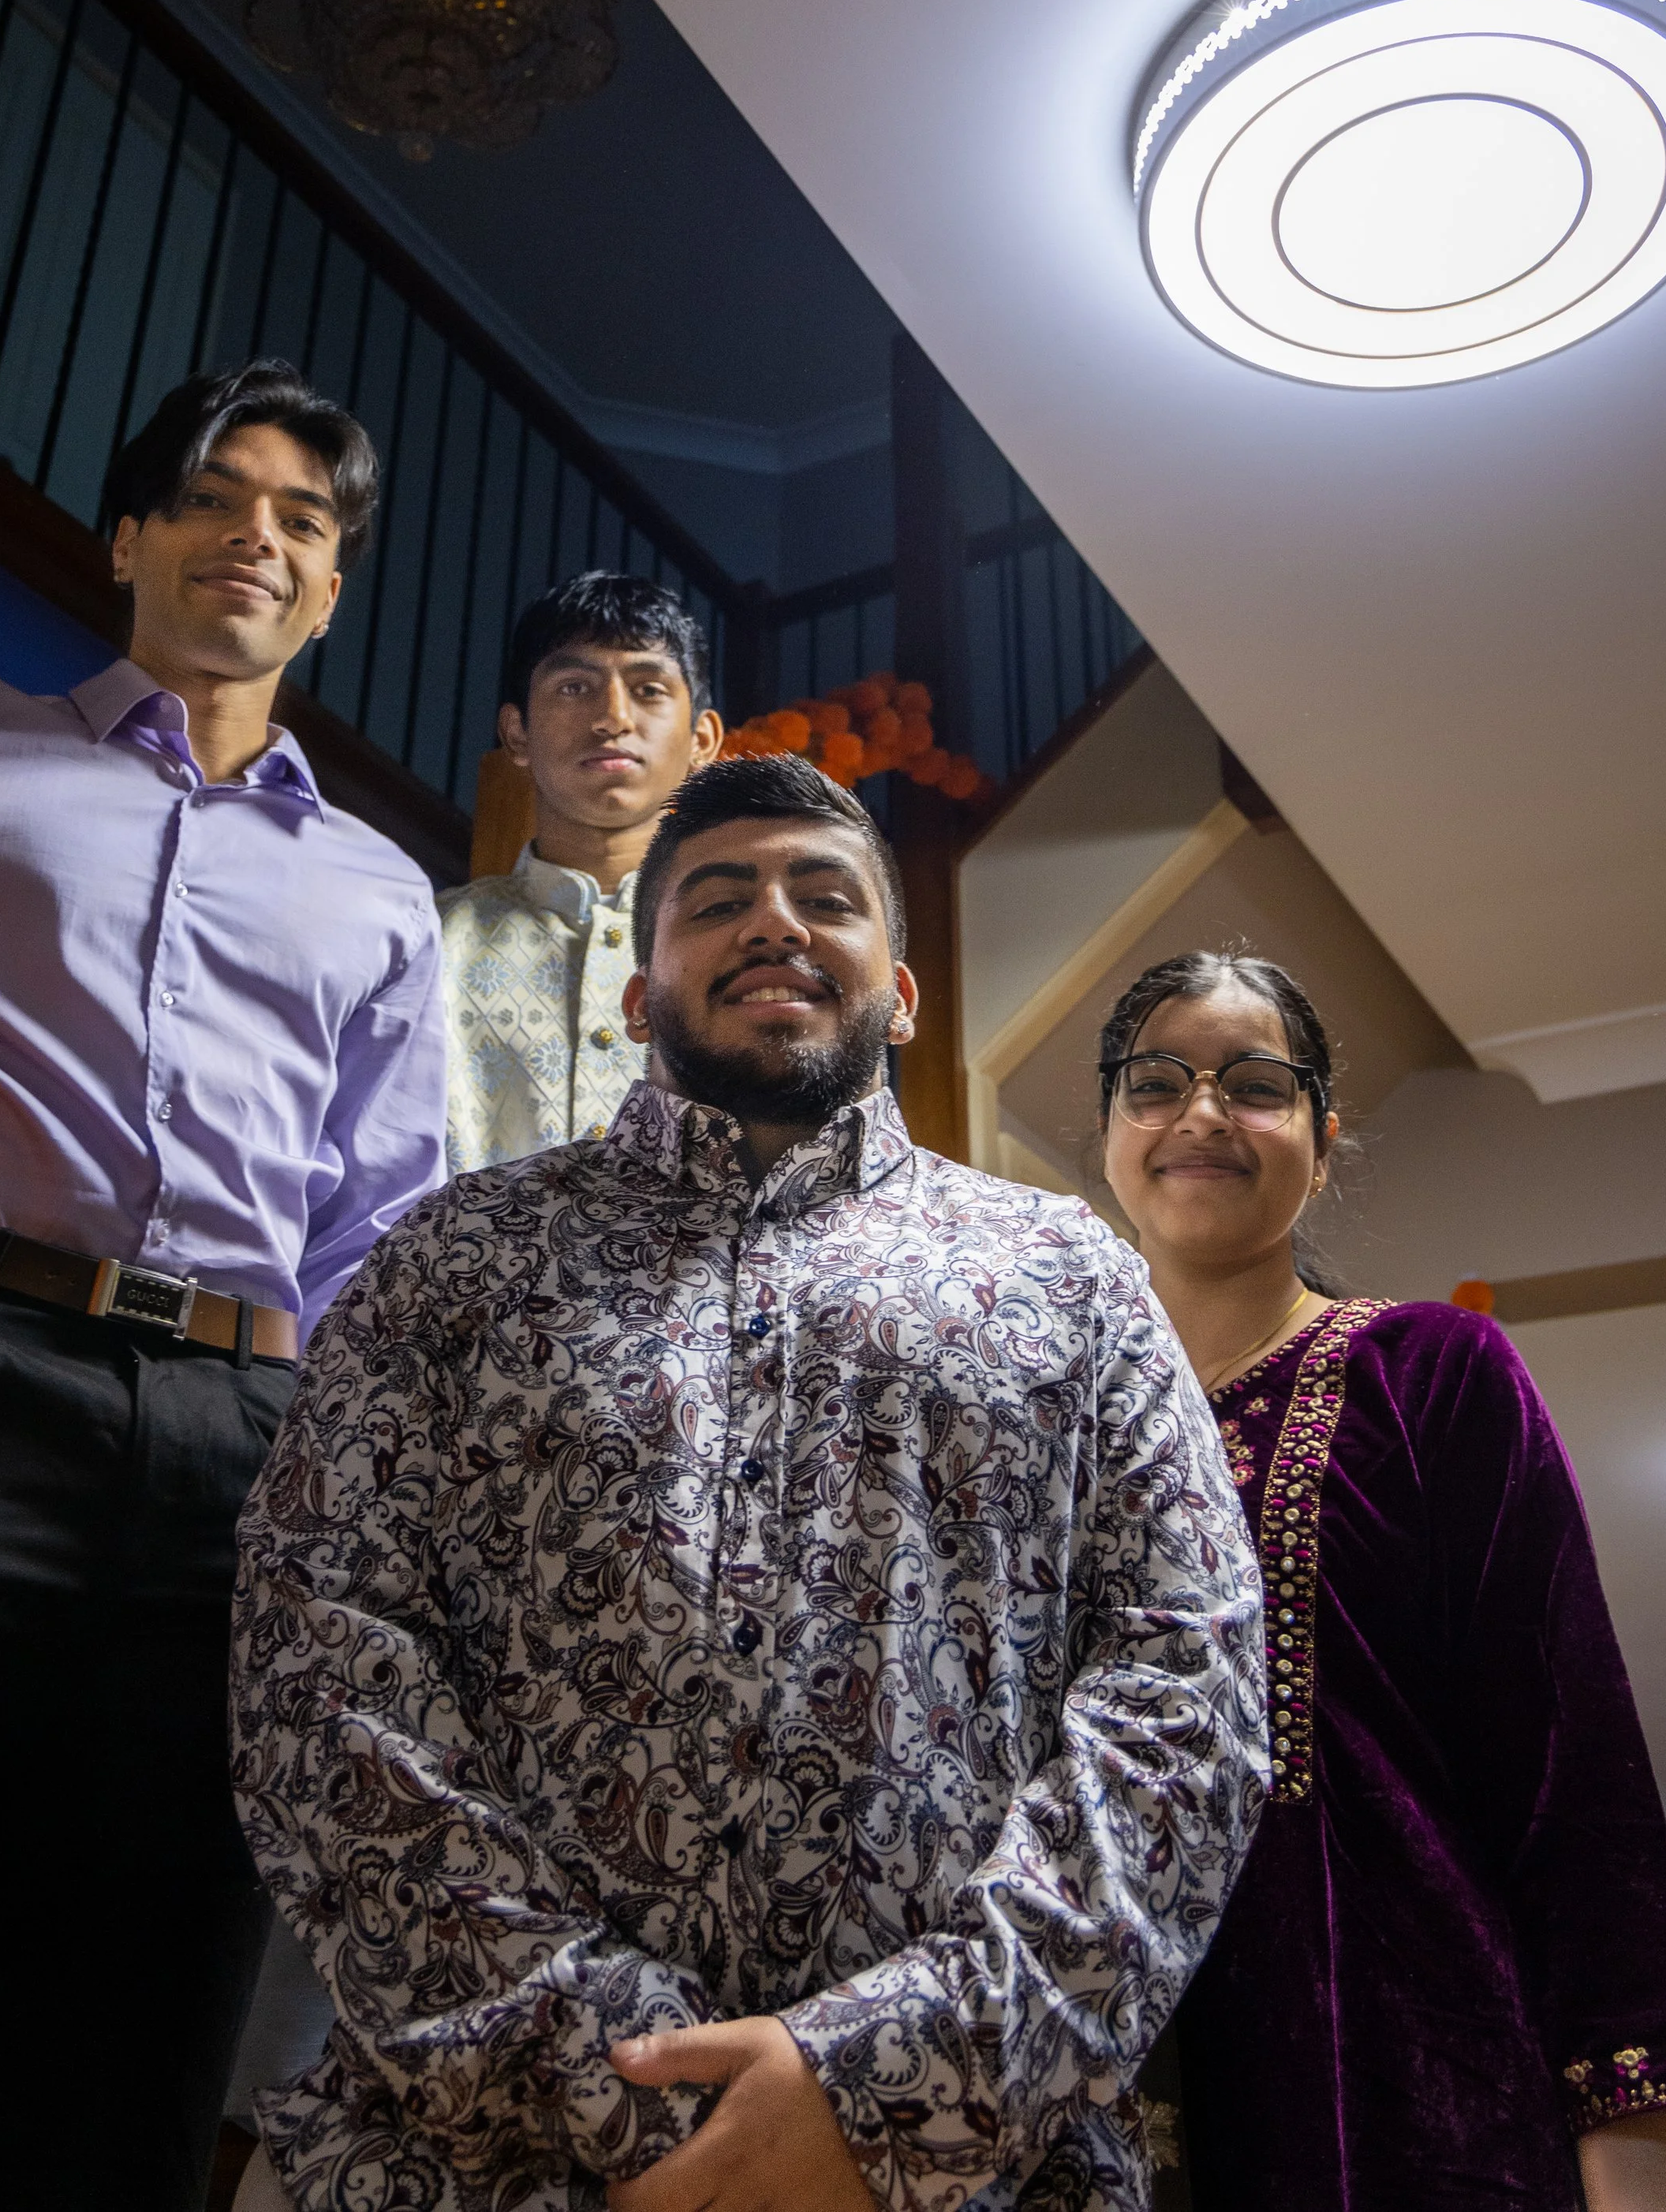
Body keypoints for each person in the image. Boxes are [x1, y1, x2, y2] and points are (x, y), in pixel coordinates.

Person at [230, 753, 1269, 2212]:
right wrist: (607, 2069)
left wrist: (894, 2084)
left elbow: (1189, 1688)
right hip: (477, 2158)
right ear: (639, 999)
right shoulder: (451, 1262)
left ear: (901, 992)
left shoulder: (1073, 1278)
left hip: (968, 2172)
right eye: (716, 899)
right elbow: (317, 1653)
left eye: (824, 895)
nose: (772, 922)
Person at [0, 359, 450, 2212]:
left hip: (245, 1450)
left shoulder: (382, 889)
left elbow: (382, 1217)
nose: (258, 534)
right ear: (131, 535)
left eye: (305, 520)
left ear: (329, 587)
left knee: (136, 2013)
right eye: (215, 495)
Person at [1093, 946, 1666, 2212]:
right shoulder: (1054, 1426)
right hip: (1112, 2085)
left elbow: (1574, 1776)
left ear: (1323, 1140)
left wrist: (1637, 2178)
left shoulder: (1432, 1373)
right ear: (1111, 1131)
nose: (1204, 1111)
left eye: (1255, 1083)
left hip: (1416, 2089)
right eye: (1156, 1081)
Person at [438, 571, 722, 1175]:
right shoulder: (426, 941)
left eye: (648, 689)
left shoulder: (745, 953)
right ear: (517, 732)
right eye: (574, 687)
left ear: (703, 738)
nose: (612, 717)